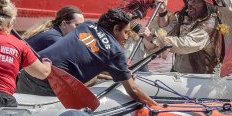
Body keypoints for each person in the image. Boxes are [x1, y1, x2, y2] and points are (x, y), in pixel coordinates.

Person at [16, 8, 157, 106]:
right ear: (115, 29)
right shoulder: (116, 51)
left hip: (28, 74)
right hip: (46, 88)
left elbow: (89, 56)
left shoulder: (87, 25)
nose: (127, 37)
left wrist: (120, 73)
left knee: (92, 77)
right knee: (94, 82)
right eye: (126, 32)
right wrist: (157, 106)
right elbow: (133, 90)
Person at [143, 0, 225, 74]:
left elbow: (185, 44)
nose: (190, 4)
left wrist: (154, 38)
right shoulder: (189, 18)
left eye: (196, 1)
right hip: (180, 74)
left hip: (198, 79)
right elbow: (168, 32)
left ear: (206, 5)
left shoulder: (209, 26)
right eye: (190, 0)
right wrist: (162, 10)